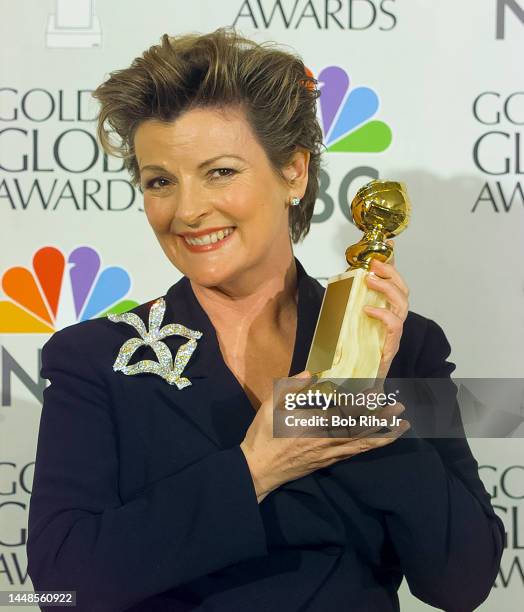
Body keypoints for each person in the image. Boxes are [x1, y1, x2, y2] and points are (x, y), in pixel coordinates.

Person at [27, 27, 504, 612]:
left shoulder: (403, 344)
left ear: (294, 174)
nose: (188, 209)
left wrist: (358, 401)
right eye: (160, 182)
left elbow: (462, 582)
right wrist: (253, 470)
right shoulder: (96, 359)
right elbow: (59, 587)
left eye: (220, 172)